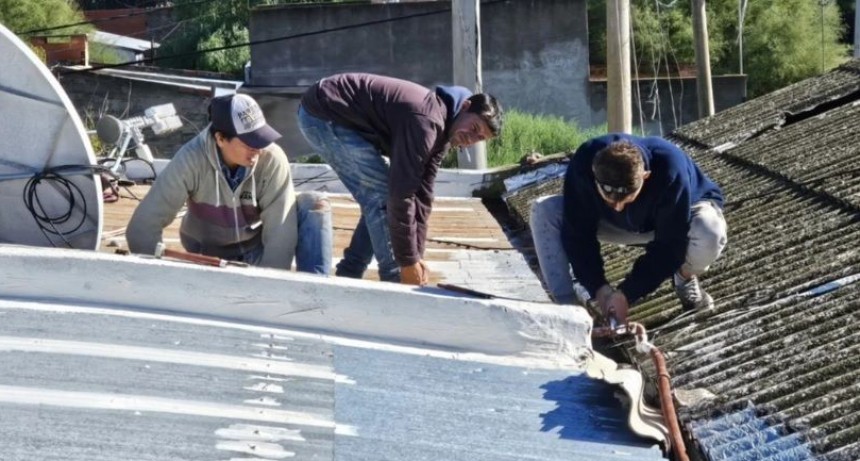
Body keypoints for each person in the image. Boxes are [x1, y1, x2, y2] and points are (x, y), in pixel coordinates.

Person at [296, 73, 503, 285]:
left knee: (381, 199)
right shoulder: (426, 122)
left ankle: (350, 274)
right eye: (475, 127)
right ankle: (394, 279)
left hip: (338, 114)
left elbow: (422, 195)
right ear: (465, 107)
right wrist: (406, 264)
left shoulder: (444, 132)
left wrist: (416, 255)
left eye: (480, 138)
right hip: (324, 112)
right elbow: (400, 194)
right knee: (382, 196)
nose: (471, 138)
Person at [529, 133, 727, 324]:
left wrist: (626, 293)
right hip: (616, 225)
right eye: (609, 199)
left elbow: (669, 246)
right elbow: (578, 234)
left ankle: (684, 277)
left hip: (676, 223)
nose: (618, 207)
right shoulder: (584, 162)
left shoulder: (670, 169)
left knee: (710, 230)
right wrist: (600, 289)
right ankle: (566, 308)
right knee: (544, 210)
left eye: (627, 199)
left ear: (646, 176)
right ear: (594, 176)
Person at [127, 93, 332, 275]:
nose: (258, 149)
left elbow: (280, 230)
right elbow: (142, 227)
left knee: (314, 203)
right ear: (220, 138)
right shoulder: (190, 160)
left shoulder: (272, 158)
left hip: (254, 253)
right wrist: (154, 278)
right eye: (248, 142)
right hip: (205, 258)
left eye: (260, 139)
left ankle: (315, 294)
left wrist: (271, 286)